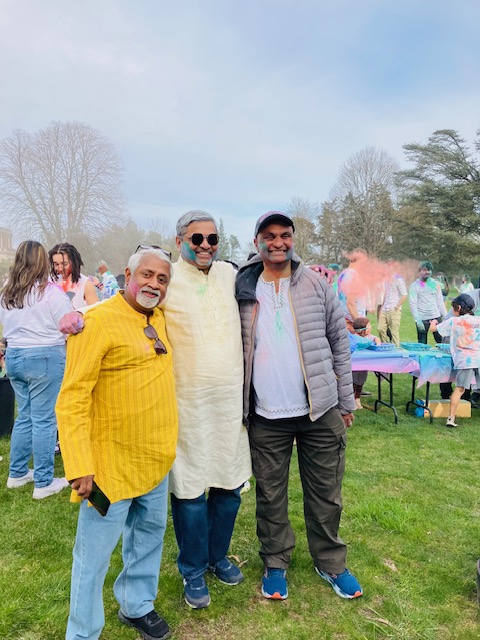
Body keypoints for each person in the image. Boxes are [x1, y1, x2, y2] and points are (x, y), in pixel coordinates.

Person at [235, 211, 362, 601]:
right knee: (270, 494)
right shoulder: (241, 285)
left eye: (285, 235)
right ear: (257, 241)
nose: (278, 242)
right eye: (269, 235)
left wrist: (345, 400)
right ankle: (275, 561)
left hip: (319, 409)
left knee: (326, 492)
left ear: (293, 239)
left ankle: (331, 562)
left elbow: (339, 344)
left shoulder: (318, 285)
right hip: (266, 414)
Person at [55, 248, 178, 640]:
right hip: (108, 467)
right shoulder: (96, 322)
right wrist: (79, 464)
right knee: (92, 558)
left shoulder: (158, 317)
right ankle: (83, 632)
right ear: (127, 273)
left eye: (162, 279)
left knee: (148, 538)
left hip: (155, 459)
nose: (153, 284)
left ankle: (136, 604)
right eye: (146, 275)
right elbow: (72, 398)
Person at [164, 211, 251, 609]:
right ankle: (193, 569)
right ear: (180, 238)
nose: (204, 246)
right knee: (191, 491)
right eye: (196, 238)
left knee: (229, 486)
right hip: (188, 405)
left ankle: (218, 557)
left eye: (212, 239)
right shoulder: (166, 278)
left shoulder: (230, 276)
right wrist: (77, 316)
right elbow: (126, 306)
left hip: (230, 403)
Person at [0, 241, 72, 499]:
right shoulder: (50, 292)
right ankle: (44, 481)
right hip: (44, 356)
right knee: (44, 419)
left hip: (15, 355)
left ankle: (17, 473)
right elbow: (69, 323)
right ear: (42, 262)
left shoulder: (7, 291)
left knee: (26, 416)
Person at [430, 294, 480, 428]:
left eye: (453, 307)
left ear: (458, 308)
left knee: (459, 389)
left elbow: (434, 330)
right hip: (478, 357)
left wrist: (433, 322)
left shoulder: (454, 321)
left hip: (465, 360)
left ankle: (451, 418)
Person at [408, 260, 447, 345]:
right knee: (422, 344)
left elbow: (440, 302)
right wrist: (417, 320)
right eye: (425, 270)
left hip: (436, 317)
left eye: (429, 270)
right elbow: (412, 304)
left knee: (441, 342)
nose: (427, 272)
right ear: (419, 271)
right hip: (422, 319)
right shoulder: (414, 286)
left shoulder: (435, 284)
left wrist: (446, 317)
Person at [50, 242, 98, 308]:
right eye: (56, 264)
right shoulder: (50, 282)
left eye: (64, 264)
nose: (60, 268)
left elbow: (95, 312)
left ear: (74, 262)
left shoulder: (85, 284)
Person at [350, 317, 381, 409]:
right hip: (354, 364)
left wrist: (378, 343)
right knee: (353, 381)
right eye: (368, 326)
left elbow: (376, 338)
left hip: (364, 364)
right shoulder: (354, 338)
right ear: (362, 329)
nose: (371, 327)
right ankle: (351, 400)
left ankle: (357, 399)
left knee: (361, 380)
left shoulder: (368, 337)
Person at [336, 249, 369, 333]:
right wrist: (361, 327)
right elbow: (350, 303)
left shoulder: (343, 275)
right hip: (352, 325)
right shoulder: (353, 276)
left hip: (343, 321)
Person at [377, 269, 407, 347]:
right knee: (380, 329)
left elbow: (404, 295)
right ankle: (384, 345)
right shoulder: (385, 280)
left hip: (394, 308)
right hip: (385, 308)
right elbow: (385, 295)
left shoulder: (398, 279)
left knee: (394, 332)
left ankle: (395, 349)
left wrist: (396, 307)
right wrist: (381, 307)